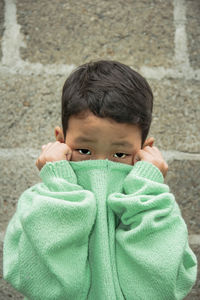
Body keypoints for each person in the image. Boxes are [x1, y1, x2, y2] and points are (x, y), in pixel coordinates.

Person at [3, 60, 197, 300]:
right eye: (84, 151)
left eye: (120, 154)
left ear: (145, 150)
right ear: (60, 140)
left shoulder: (155, 205)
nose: (101, 166)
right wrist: (60, 187)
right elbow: (43, 285)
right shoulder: (39, 202)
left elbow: (160, 289)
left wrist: (147, 190)